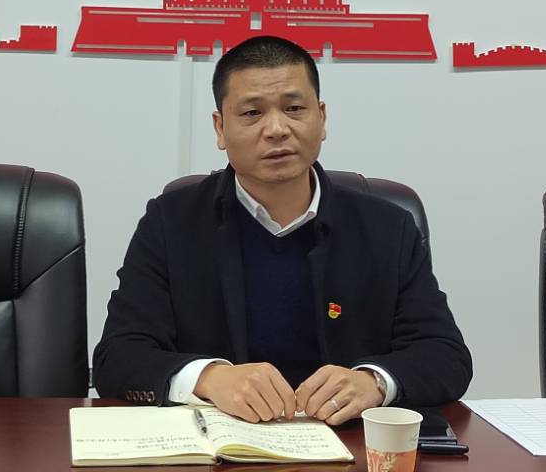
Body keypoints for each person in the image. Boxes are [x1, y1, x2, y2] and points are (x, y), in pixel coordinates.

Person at [93, 35, 471, 425]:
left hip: (348, 443)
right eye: (252, 113)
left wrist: (374, 382)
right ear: (220, 129)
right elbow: (117, 357)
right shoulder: (171, 222)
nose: (276, 129)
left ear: (321, 118)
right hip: (220, 444)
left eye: (294, 108)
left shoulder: (387, 227)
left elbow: (445, 355)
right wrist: (210, 378)